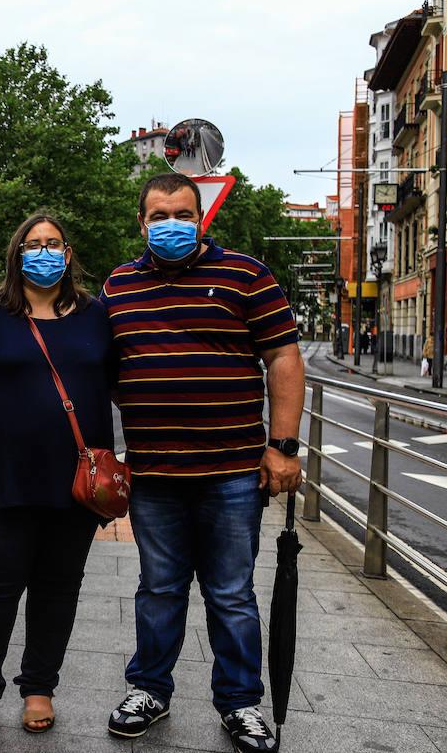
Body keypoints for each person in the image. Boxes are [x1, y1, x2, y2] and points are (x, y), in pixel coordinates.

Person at [102, 173, 304, 753]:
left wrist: (283, 446)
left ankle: (241, 704)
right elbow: (107, 367)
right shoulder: (118, 285)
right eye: (160, 215)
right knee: (158, 589)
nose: (172, 224)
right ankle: (149, 691)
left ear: (200, 219)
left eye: (184, 214)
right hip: (155, 474)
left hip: (233, 472)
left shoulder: (246, 274)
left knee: (231, 594)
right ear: (142, 223)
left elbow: (284, 358)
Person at [0, 213, 112, 739]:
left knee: (58, 590)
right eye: (33, 244)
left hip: (75, 484)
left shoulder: (95, 315)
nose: (44, 252)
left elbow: (125, 384)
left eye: (53, 243)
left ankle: (40, 686)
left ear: (68, 252)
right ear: (18, 254)